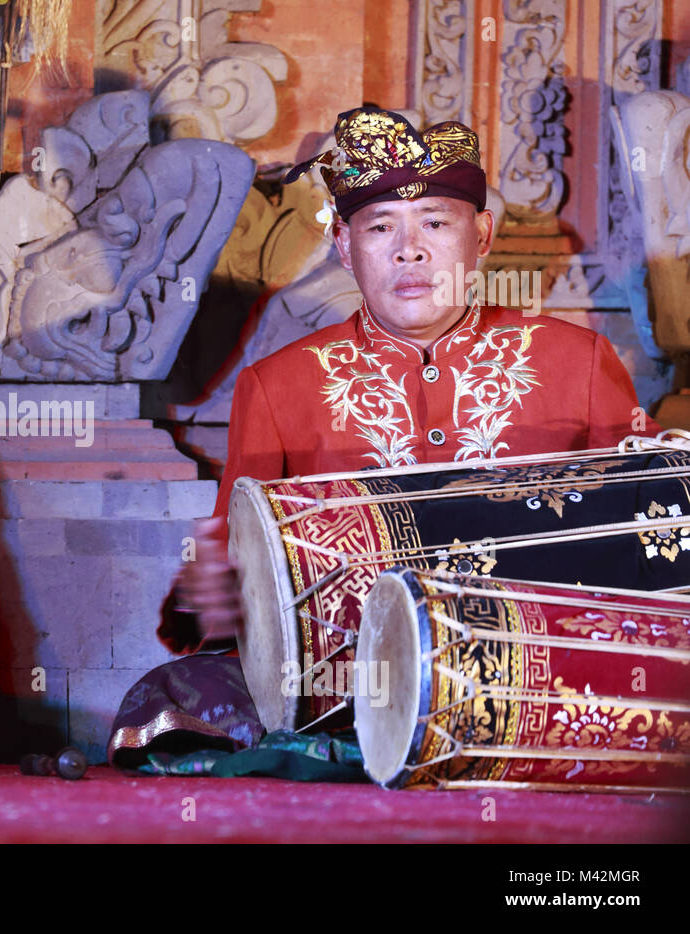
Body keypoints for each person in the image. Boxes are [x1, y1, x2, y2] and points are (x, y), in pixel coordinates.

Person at [107, 106, 657, 768]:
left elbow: (655, 525)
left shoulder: (578, 361)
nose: (409, 249)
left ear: (480, 236)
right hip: (346, 682)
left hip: (539, 669)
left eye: (435, 223)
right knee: (168, 697)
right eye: (380, 227)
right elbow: (231, 563)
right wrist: (212, 594)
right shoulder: (277, 386)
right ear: (344, 245)